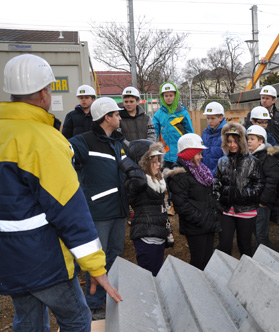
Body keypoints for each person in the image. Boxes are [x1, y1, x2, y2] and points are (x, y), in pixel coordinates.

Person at [0, 54, 122, 331]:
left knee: (28, 321)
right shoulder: (42, 139)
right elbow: (69, 210)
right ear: (44, 92)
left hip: (7, 255)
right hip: (42, 258)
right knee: (77, 321)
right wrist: (95, 267)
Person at [69, 97, 129, 319]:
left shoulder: (118, 141)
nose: (120, 117)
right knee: (96, 259)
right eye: (116, 114)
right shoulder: (82, 142)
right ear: (107, 117)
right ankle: (94, 306)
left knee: (115, 254)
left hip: (119, 209)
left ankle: (108, 298)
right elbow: (65, 161)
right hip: (99, 212)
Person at [165, 134, 220, 270]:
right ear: (189, 153)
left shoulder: (199, 170)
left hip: (207, 223)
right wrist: (201, 219)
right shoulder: (179, 174)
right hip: (196, 226)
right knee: (198, 262)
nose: (201, 157)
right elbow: (181, 205)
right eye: (198, 153)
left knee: (208, 260)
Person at [214, 123, 264, 257]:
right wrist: (218, 202)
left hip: (246, 210)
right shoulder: (221, 161)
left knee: (245, 246)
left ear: (242, 141)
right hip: (226, 210)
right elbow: (216, 183)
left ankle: (247, 275)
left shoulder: (253, 161)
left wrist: (244, 194)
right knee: (224, 245)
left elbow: (259, 184)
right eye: (229, 141)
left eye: (235, 141)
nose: (232, 145)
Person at [121, 140, 168, 276]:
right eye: (154, 161)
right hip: (145, 236)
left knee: (157, 274)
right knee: (148, 276)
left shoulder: (157, 180)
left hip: (158, 234)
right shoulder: (136, 181)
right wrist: (130, 162)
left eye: (159, 160)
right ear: (143, 162)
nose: (159, 164)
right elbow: (139, 181)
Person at [247, 125, 279, 248]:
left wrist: (263, 200)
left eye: (252, 138)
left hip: (261, 203)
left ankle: (266, 259)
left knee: (261, 234)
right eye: (248, 138)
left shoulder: (267, 157)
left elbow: (272, 180)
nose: (249, 141)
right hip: (251, 201)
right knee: (255, 231)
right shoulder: (248, 156)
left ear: (261, 141)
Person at [152, 82, 194, 169]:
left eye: (171, 95)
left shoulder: (183, 113)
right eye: (166, 96)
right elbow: (153, 133)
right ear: (162, 96)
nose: (168, 98)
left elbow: (190, 132)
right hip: (164, 156)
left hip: (180, 155)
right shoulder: (158, 115)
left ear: (175, 95)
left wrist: (191, 151)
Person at [201, 101, 227, 175]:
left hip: (219, 176)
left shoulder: (226, 134)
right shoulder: (205, 133)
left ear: (221, 118)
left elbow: (226, 159)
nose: (209, 121)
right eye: (208, 118)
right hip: (205, 174)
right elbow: (201, 154)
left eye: (212, 118)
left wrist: (213, 174)